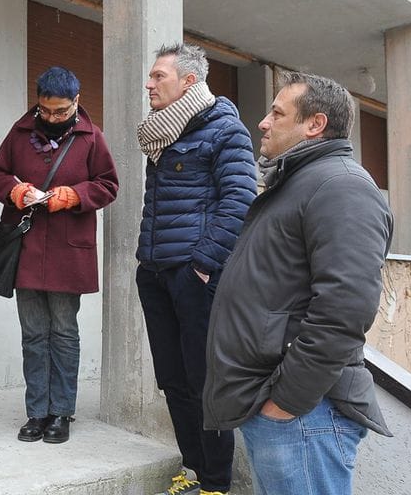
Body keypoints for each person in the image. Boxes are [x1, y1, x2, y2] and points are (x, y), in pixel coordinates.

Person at [203, 72, 393, 494]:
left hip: (304, 414)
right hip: (282, 408)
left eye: (277, 113)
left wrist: (286, 402)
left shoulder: (341, 186)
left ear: (315, 124)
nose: (263, 122)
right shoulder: (298, 184)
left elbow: (345, 308)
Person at [134, 43, 257, 495]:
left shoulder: (225, 130)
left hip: (194, 275)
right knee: (173, 379)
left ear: (189, 81)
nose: (149, 84)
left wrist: (203, 264)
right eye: (150, 76)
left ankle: (215, 484)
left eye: (159, 76)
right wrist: (147, 264)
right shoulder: (162, 133)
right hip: (154, 271)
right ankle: (192, 468)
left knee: (204, 380)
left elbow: (240, 200)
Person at [0, 66, 118, 445]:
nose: (53, 117)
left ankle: (61, 412)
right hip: (26, 248)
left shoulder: (92, 137)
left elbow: (108, 184)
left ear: (76, 101)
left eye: (61, 111)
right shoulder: (20, 132)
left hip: (68, 251)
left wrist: (72, 195)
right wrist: (15, 191)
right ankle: (36, 413)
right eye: (46, 110)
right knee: (33, 334)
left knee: (63, 332)